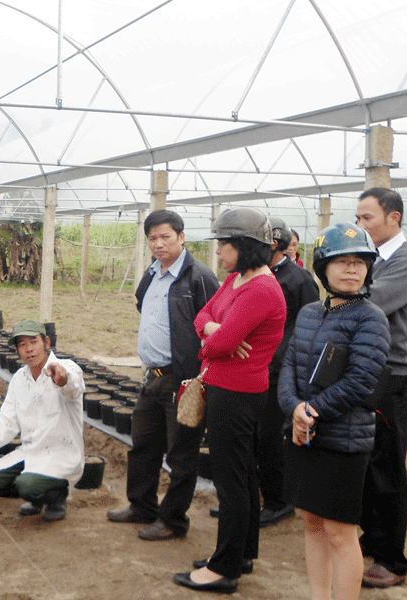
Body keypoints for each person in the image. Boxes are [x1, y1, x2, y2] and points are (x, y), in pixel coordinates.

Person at [174, 207, 285, 594]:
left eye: (224, 244)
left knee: (232, 480)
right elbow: (202, 317)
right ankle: (242, 553)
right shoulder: (238, 279)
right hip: (228, 388)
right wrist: (216, 330)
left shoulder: (261, 290)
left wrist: (214, 339)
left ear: (245, 246)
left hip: (238, 394)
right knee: (243, 474)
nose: (218, 251)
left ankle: (224, 569)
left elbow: (215, 346)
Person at [279, 223, 390, 600]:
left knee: (341, 531)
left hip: (344, 439)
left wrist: (311, 410)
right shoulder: (310, 313)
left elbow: (362, 380)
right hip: (305, 433)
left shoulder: (370, 317)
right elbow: (289, 367)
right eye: (341, 261)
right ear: (322, 267)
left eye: (360, 262)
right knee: (312, 522)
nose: (352, 269)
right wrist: (294, 407)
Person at [106, 210, 219, 541]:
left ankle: (173, 520)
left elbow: (213, 325)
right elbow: (144, 306)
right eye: (152, 238)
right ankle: (141, 505)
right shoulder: (151, 274)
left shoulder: (199, 276)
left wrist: (199, 378)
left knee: (182, 452)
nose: (158, 243)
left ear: (182, 237)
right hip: (151, 377)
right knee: (143, 443)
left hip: (182, 378)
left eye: (165, 236)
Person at [355, 187, 407, 588]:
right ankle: (373, 536)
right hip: (375, 370)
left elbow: (369, 303)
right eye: (359, 218)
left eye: (367, 218)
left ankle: (391, 560)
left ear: (394, 218)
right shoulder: (380, 259)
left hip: (396, 375)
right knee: (369, 458)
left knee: (387, 464)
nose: (361, 225)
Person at [0, 319, 84, 522]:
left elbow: (73, 386)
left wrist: (62, 380)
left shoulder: (66, 368)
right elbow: (6, 421)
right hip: (31, 452)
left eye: (33, 342)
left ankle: (56, 497)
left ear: (47, 343)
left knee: (26, 485)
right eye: (22, 345)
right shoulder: (19, 379)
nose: (29, 350)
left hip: (60, 454)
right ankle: (36, 495)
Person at [257, 218, 319, 527]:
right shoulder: (255, 276)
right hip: (257, 366)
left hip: (279, 369)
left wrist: (286, 361)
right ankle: (261, 497)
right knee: (256, 435)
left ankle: (278, 502)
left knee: (269, 436)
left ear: (274, 245)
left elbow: (307, 326)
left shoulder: (298, 279)